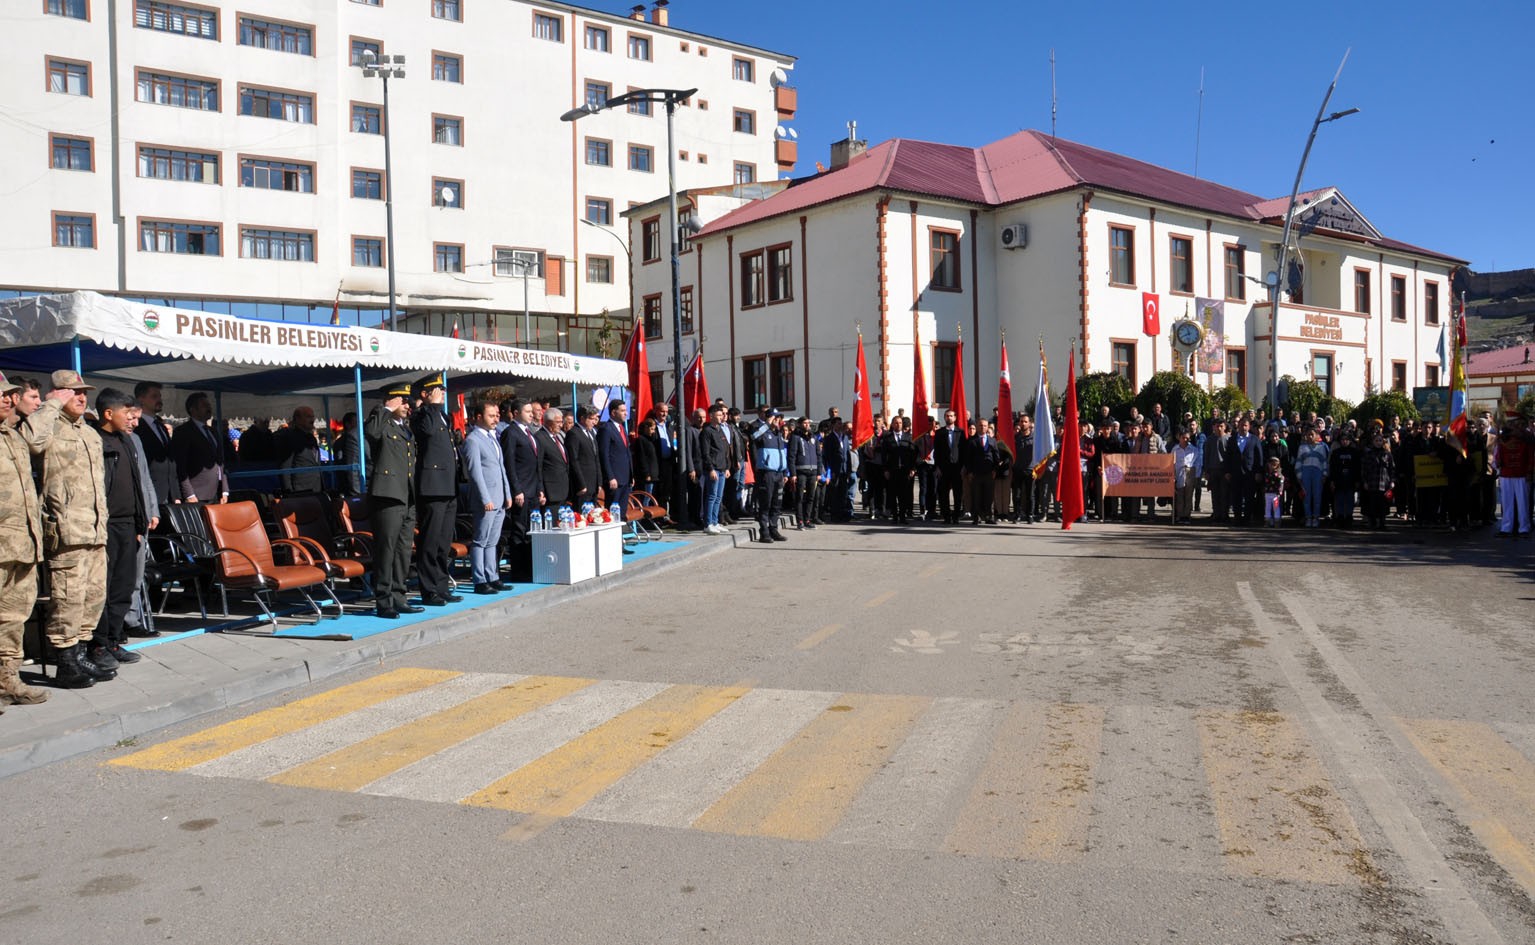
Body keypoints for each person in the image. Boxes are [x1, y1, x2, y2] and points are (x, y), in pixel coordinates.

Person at [39, 370, 115, 686]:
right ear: (57, 394)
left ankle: (81, 653)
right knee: (67, 597)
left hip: (95, 529)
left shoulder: (90, 433)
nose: (81, 398)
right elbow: (32, 442)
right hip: (68, 530)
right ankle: (66, 662)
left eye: (84, 392)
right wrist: (50, 408)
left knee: (92, 596)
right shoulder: (47, 427)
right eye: (73, 392)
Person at [90, 388, 152, 669]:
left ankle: (114, 640)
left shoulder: (126, 441)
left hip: (129, 525)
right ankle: (98, 644)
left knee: (123, 588)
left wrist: (140, 522)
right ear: (108, 414)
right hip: (106, 526)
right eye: (127, 414)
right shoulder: (94, 440)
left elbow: (138, 483)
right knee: (103, 588)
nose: (132, 420)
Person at [0, 372, 51, 706]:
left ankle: (9, 680)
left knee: (13, 618)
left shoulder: (13, 436)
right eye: (2, 394)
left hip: (22, 543)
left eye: (9, 395)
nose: (7, 399)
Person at [365, 384, 421, 619]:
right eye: (404, 401)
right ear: (393, 400)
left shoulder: (404, 428)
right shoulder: (381, 421)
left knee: (403, 551)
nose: (408, 406)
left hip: (407, 496)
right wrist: (386, 407)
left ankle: (399, 596)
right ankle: (383, 600)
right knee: (386, 551)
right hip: (388, 496)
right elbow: (371, 433)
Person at [412, 376, 461, 606]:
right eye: (436, 390)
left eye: (442, 389)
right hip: (432, 487)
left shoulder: (441, 415)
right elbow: (428, 433)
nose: (442, 393)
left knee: (443, 542)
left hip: (448, 485)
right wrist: (430, 406)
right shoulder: (422, 415)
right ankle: (428, 589)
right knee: (430, 542)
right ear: (424, 393)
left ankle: (441, 586)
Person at [461, 401, 513, 594]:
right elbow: (475, 472)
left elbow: (501, 469)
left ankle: (493, 576)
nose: (496, 419)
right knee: (481, 540)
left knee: (493, 540)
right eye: (491, 415)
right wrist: (485, 499)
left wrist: (507, 493)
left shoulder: (493, 437)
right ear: (479, 417)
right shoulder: (473, 440)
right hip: (487, 499)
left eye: (497, 415)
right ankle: (479, 579)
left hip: (499, 497)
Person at [499, 399, 541, 580]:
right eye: (527, 411)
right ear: (515, 413)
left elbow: (535, 464)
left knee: (531, 531)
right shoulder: (511, 433)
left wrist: (540, 488)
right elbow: (510, 464)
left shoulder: (529, 433)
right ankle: (518, 571)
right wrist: (516, 490)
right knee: (519, 531)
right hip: (522, 490)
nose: (532, 414)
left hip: (533, 489)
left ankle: (530, 567)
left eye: (532, 411)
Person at [170, 391, 228, 504]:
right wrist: (189, 493)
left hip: (216, 493)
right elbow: (180, 465)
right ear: (193, 409)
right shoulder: (183, 432)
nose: (209, 408)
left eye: (209, 405)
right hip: (197, 495)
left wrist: (224, 490)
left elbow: (220, 462)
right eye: (204, 405)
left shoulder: (213, 431)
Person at [133, 381, 179, 509]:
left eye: (159, 396)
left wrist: (176, 494)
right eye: (154, 396)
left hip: (170, 495)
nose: (159, 400)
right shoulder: (137, 427)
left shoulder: (160, 426)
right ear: (141, 400)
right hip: (152, 495)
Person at [751, 408, 789, 542]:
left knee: (776, 503)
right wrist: (767, 424)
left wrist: (785, 472)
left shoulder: (778, 434)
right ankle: (764, 532)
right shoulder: (762, 431)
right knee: (765, 503)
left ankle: (774, 529)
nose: (778, 421)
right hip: (766, 473)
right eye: (776, 418)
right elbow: (753, 437)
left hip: (779, 473)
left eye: (779, 418)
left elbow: (782, 454)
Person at [1494, 415, 1533, 538]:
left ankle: (1524, 528)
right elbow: (1498, 453)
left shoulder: (1527, 438)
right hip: (1506, 473)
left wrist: (1530, 472)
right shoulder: (1503, 437)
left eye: (1514, 423)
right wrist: (1498, 464)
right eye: (1511, 424)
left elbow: (1531, 456)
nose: (1513, 426)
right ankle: (1506, 527)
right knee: (1506, 502)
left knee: (1523, 502)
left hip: (1521, 473)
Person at [598, 400, 635, 518]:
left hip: (625, 477)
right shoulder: (606, 428)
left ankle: (620, 534)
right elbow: (604, 454)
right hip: (614, 479)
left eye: (626, 411)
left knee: (622, 511)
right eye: (623, 411)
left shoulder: (622, 428)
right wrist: (610, 476)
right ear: (613, 413)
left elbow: (626, 453)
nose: (626, 414)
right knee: (612, 511)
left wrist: (631, 474)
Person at [699, 404, 731, 534]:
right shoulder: (707, 431)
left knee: (719, 497)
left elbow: (725, 450)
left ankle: (715, 521)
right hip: (713, 469)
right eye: (718, 415)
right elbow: (705, 452)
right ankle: (708, 523)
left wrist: (727, 467)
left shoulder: (720, 430)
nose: (721, 417)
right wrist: (711, 469)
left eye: (722, 415)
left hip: (722, 468)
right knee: (711, 496)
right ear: (711, 416)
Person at [277, 405, 323, 494]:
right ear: (298, 419)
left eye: (313, 416)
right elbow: (285, 468)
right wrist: (289, 492)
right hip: (300, 490)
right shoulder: (290, 438)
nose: (312, 419)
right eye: (308, 417)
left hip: (316, 488)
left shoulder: (311, 438)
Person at [881, 415, 917, 525]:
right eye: (896, 423)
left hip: (905, 470)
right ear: (892, 424)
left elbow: (913, 454)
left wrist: (913, 468)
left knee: (903, 495)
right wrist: (886, 470)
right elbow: (884, 455)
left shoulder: (908, 437)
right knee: (892, 494)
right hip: (892, 470)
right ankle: (895, 517)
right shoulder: (887, 438)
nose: (898, 425)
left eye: (900, 423)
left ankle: (902, 516)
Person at [964, 417, 1000, 525]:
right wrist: (969, 472)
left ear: (987, 427)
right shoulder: (971, 441)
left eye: (985, 425)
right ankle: (977, 517)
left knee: (989, 496)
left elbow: (996, 457)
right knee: (976, 495)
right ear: (977, 426)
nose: (983, 427)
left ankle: (988, 516)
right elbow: (967, 458)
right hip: (976, 473)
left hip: (989, 473)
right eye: (980, 425)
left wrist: (995, 469)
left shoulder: (992, 440)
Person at [536, 407, 571, 512]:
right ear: (548, 422)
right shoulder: (540, 438)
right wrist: (541, 490)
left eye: (561, 422)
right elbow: (539, 466)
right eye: (558, 422)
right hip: (550, 492)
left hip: (563, 490)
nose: (561, 425)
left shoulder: (557, 437)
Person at [788, 415, 820, 529]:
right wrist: (793, 474)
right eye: (805, 423)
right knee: (800, 497)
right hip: (800, 471)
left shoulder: (814, 437)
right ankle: (800, 521)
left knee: (811, 497)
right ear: (800, 424)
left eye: (808, 423)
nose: (807, 425)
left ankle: (807, 519)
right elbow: (791, 456)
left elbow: (818, 455)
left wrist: (819, 472)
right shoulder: (795, 437)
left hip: (813, 471)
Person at [567, 405, 603, 507]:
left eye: (595, 419)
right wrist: (581, 484)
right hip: (583, 486)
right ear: (582, 418)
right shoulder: (574, 433)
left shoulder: (591, 433)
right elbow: (574, 460)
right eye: (591, 419)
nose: (594, 422)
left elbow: (596, 459)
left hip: (593, 484)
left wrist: (599, 482)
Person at [934, 409, 965, 524]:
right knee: (943, 493)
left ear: (955, 418)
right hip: (943, 468)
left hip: (957, 468)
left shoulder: (960, 432)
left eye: (951, 416)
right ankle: (946, 516)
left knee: (957, 493)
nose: (949, 418)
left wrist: (963, 467)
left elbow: (963, 451)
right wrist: (937, 467)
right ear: (944, 418)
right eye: (947, 416)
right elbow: (936, 451)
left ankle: (956, 516)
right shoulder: (940, 433)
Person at [1295, 427, 1330, 528]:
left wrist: (1324, 474)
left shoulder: (1321, 447)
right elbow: (1298, 461)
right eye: (1308, 434)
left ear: (1316, 435)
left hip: (1317, 473)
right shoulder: (1302, 447)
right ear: (1305, 436)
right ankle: (1308, 517)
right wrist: (1299, 475)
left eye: (1312, 434)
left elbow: (1324, 462)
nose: (1310, 436)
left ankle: (1316, 518)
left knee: (1317, 496)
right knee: (1306, 496)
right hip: (1306, 473)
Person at [1360, 431, 1395, 530]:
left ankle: (1382, 523)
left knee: (1383, 504)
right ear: (1373, 442)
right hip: (1372, 483)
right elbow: (1364, 469)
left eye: (1380, 440)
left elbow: (1392, 469)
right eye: (1376, 440)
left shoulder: (1387, 454)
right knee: (1372, 504)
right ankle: (1372, 522)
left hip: (1384, 483)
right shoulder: (1368, 454)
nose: (1378, 442)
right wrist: (1365, 481)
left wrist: (1392, 481)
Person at [1328, 431, 1361, 528]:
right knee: (1339, 500)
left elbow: (1357, 468)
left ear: (1350, 441)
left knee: (1350, 500)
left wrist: (1357, 481)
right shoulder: (1336, 453)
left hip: (1350, 481)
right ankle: (1340, 517)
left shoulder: (1354, 453)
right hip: (1339, 481)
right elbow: (1332, 468)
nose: (1344, 442)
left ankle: (1349, 517)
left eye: (1347, 440)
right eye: (1342, 440)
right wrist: (1332, 481)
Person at [1171, 428, 1201, 524]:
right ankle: (1180, 515)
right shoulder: (1175, 449)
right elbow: (1171, 463)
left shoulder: (1194, 450)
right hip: (1179, 472)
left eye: (1187, 438)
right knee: (1180, 495)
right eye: (1183, 438)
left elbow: (1197, 463)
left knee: (1188, 495)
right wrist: (1172, 476)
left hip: (1190, 471)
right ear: (1179, 438)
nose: (1185, 440)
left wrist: (1197, 476)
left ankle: (1187, 516)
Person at [631, 416, 661, 499]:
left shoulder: (652, 440)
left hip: (653, 474)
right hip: (647, 475)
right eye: (651, 429)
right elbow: (642, 458)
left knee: (651, 496)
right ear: (646, 428)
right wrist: (646, 473)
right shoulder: (641, 440)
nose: (653, 432)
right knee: (646, 497)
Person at [1262, 456, 1286, 527]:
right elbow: (1264, 483)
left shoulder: (1279, 475)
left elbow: (1281, 484)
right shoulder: (1267, 474)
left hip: (1275, 494)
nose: (1273, 466)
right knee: (1267, 508)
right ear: (1268, 464)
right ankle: (1267, 521)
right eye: (1271, 464)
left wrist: (1280, 491)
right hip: (1267, 493)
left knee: (1276, 508)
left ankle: (1277, 521)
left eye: (1275, 465)